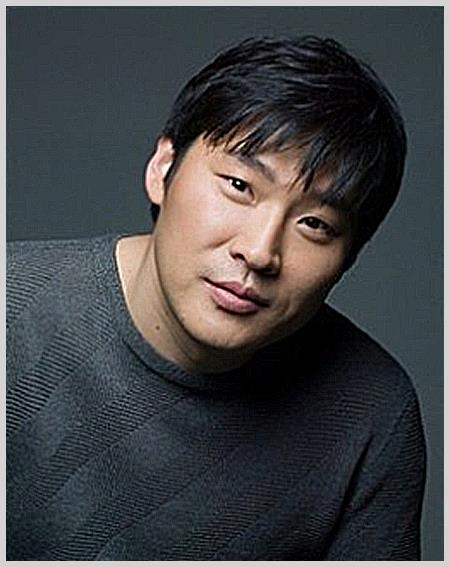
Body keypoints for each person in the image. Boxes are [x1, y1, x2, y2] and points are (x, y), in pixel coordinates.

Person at [6, 36, 426, 560]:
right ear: (163, 169)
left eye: (315, 224)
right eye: (239, 186)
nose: (260, 251)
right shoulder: (12, 308)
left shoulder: (371, 414)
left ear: (350, 257)